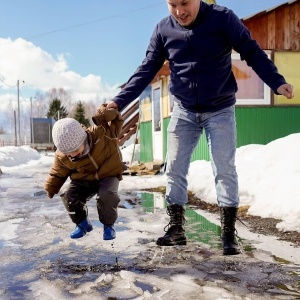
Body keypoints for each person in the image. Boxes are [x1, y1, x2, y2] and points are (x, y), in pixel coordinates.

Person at [107, 0, 294, 255]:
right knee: (174, 169)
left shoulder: (222, 18)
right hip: (183, 111)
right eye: (172, 5)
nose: (179, 11)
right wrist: (117, 102)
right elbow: (146, 70)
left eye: (185, 3)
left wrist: (276, 82)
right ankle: (176, 230)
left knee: (224, 169)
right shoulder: (163, 29)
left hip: (220, 109)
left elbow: (251, 51)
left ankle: (228, 235)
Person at [44, 104, 124, 240]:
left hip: (108, 174)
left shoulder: (101, 132)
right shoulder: (63, 155)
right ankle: (82, 224)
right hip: (84, 179)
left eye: (75, 150)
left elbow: (117, 119)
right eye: (68, 153)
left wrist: (104, 114)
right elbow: (57, 172)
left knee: (107, 196)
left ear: (83, 139)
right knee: (69, 196)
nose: (72, 155)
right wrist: (51, 187)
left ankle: (108, 226)